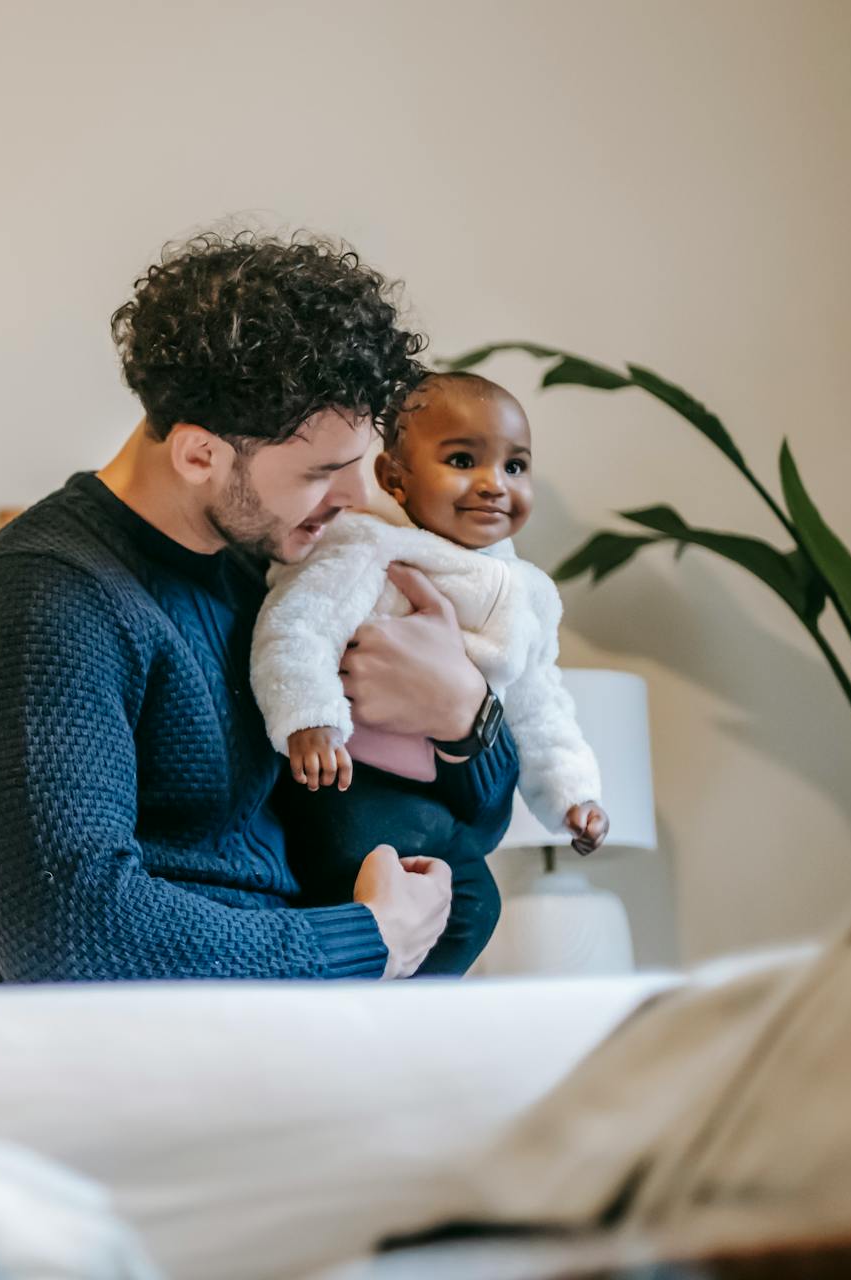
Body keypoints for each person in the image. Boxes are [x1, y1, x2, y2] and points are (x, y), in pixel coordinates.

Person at [0, 230, 522, 986]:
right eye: (323, 473)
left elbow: (479, 825)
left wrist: (466, 715)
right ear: (198, 455)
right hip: (148, 1045)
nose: (356, 499)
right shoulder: (47, 598)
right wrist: (366, 939)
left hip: (302, 1020)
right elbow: (65, 938)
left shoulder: (276, 571)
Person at [253, 371, 609, 975]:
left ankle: (406, 1008)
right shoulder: (368, 548)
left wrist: (573, 793)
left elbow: (539, 703)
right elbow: (295, 625)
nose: (494, 484)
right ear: (395, 477)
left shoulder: (527, 593)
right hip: (351, 782)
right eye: (463, 460)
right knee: (354, 865)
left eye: (515, 466)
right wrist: (309, 717)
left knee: (476, 904)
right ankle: (357, 980)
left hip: (439, 803)